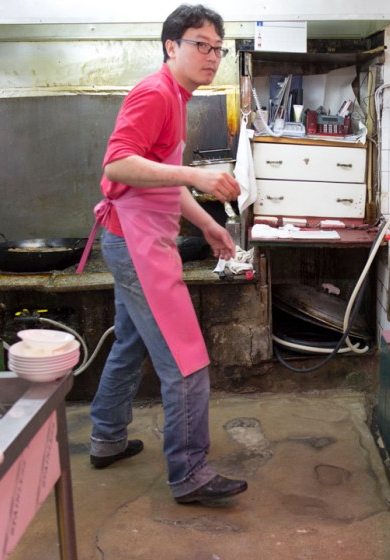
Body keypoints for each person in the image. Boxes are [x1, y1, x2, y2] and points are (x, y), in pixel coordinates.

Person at [81, 3, 246, 505]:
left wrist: (209, 227)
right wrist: (198, 174)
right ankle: (189, 471)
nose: (211, 55)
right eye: (201, 44)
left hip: (136, 238)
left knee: (130, 342)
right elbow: (119, 163)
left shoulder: (175, 97)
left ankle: (107, 436)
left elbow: (163, 183)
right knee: (185, 357)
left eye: (218, 48)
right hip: (135, 243)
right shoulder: (155, 93)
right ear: (171, 46)